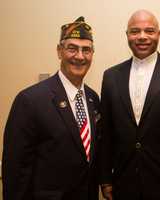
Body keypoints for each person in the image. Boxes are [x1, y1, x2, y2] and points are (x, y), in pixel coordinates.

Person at [99, 9, 160, 200]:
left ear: (159, 34)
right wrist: (105, 179)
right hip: (124, 183)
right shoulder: (110, 77)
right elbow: (107, 134)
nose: (142, 37)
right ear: (127, 35)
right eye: (135, 31)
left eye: (149, 31)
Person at [2, 16, 100, 200]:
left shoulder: (93, 98)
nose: (79, 56)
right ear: (59, 51)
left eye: (86, 50)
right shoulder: (30, 100)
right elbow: (15, 170)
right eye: (72, 48)